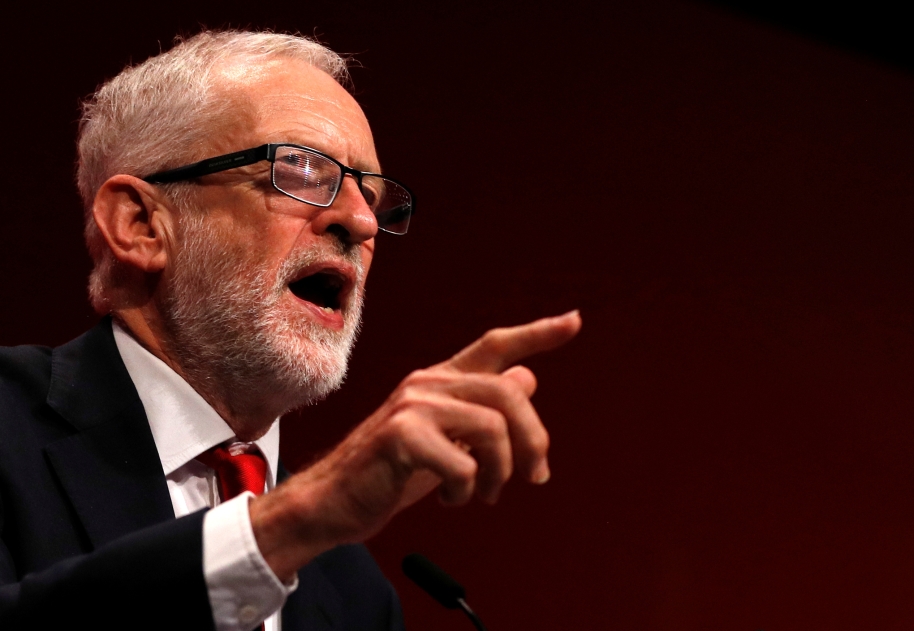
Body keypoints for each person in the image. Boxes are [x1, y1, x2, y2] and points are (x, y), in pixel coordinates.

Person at [0, 30, 581, 630]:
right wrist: (291, 521)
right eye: (302, 169)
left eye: (372, 195)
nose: (360, 221)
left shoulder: (350, 588)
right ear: (141, 224)